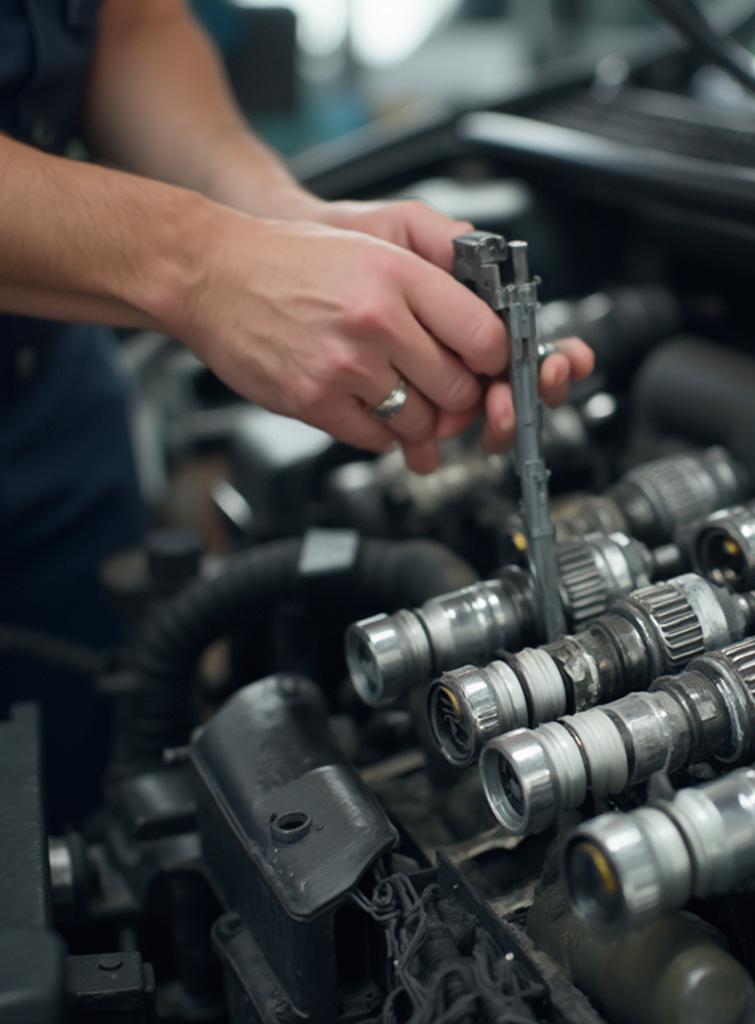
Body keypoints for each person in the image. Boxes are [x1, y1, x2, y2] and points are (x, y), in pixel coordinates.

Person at [0, 0, 593, 823]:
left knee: (81, 794)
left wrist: (278, 217)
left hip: (53, 413)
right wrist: (204, 266)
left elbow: (129, 22)